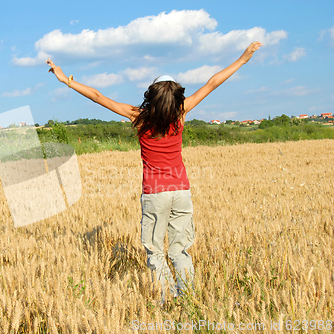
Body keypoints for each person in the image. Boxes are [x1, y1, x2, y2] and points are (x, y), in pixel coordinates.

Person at [46, 41, 263, 304]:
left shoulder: (138, 116)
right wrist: (243, 59)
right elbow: (212, 83)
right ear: (176, 97)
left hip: (155, 193)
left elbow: (97, 96)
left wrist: (65, 80)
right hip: (181, 191)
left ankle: (165, 300)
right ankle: (189, 299)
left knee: (155, 252)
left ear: (152, 94)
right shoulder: (181, 114)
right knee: (179, 250)